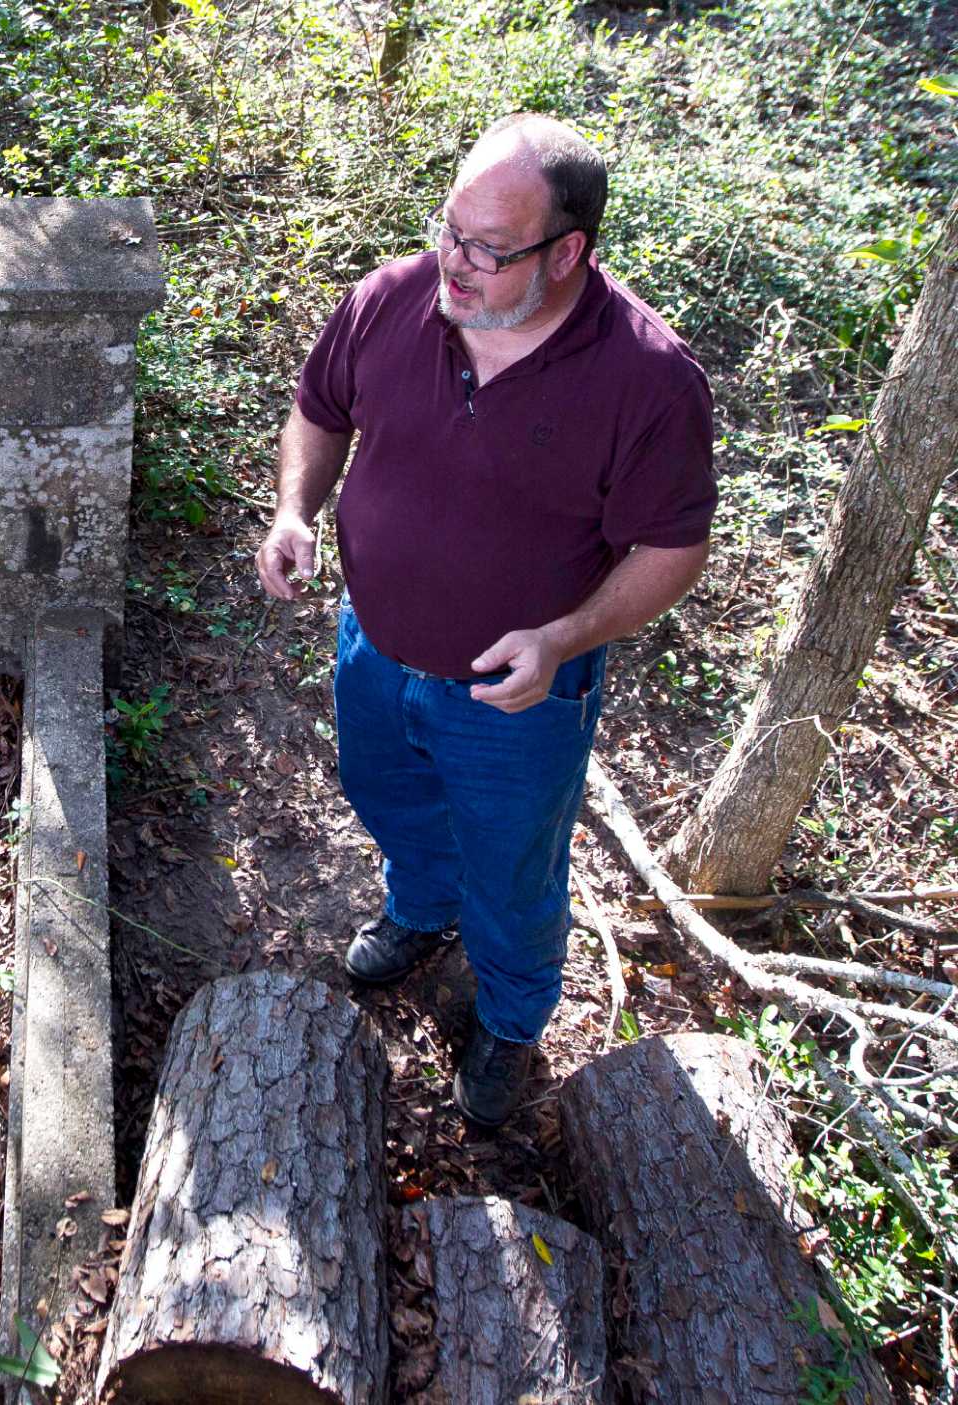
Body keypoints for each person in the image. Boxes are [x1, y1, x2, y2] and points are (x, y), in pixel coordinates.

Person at [255, 113, 716, 1127]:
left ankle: (509, 1020)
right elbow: (319, 409)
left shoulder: (645, 380)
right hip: (372, 651)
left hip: (515, 695)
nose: (451, 267)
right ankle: (420, 910)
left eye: (486, 250)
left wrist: (560, 639)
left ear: (565, 253)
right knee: (386, 796)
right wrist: (294, 508)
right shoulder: (389, 299)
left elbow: (671, 548)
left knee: (512, 864)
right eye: (446, 232)